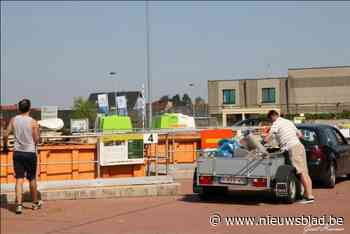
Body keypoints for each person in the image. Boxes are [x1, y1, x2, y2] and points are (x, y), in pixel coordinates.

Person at [265, 110, 315, 204]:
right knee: (304, 172)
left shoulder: (276, 123)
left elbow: (269, 136)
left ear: (272, 117)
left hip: (293, 148)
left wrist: (263, 143)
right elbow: (300, 135)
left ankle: (309, 196)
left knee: (300, 172)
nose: (271, 122)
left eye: (270, 120)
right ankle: (307, 194)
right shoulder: (288, 122)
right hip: (299, 146)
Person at [2, 99, 42, 214]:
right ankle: (35, 203)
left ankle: (18, 205)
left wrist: (5, 145)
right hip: (30, 153)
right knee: (32, 179)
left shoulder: (14, 120)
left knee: (19, 179)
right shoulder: (33, 122)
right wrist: (39, 133)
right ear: (29, 108)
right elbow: (36, 140)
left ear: (19, 108)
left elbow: (5, 133)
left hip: (17, 153)